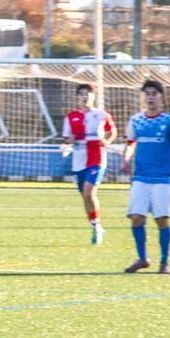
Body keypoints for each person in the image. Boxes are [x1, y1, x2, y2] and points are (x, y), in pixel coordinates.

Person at [121, 80, 170, 274]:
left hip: (162, 178)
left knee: (161, 219)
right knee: (136, 218)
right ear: (143, 97)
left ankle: (164, 262)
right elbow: (130, 144)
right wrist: (125, 160)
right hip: (141, 177)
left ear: (161, 97)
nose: (150, 97)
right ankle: (142, 258)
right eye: (147, 94)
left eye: (154, 93)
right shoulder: (136, 120)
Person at [62, 83, 117, 245]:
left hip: (97, 157)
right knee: (85, 196)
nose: (85, 97)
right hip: (79, 159)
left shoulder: (101, 115)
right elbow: (66, 138)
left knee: (88, 192)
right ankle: (95, 225)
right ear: (77, 98)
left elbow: (112, 130)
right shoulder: (71, 117)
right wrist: (68, 140)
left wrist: (107, 141)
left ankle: (97, 226)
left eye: (88, 94)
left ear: (93, 97)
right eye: (81, 94)